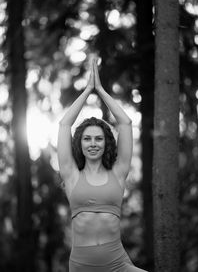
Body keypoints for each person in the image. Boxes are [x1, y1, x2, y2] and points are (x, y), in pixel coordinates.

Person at [57, 57, 148, 272]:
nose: (93, 144)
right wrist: (88, 90)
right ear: (79, 144)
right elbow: (64, 124)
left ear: (107, 142)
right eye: (87, 139)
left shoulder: (118, 173)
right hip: (82, 265)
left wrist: (100, 90)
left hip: (116, 263)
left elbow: (125, 122)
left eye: (98, 138)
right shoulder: (71, 175)